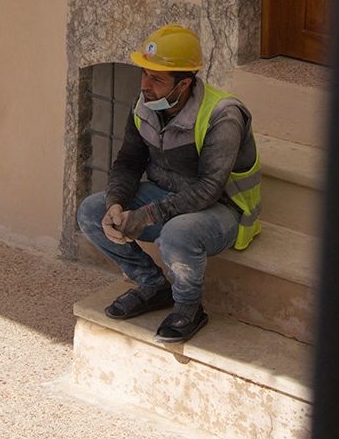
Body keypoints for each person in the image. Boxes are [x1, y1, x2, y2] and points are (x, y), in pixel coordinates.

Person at [76, 23, 262, 346]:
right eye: (145, 73)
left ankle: (189, 307)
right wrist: (116, 204)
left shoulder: (223, 116)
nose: (145, 85)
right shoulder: (144, 103)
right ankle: (153, 286)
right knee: (91, 212)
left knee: (176, 234)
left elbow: (209, 189)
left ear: (185, 84)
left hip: (223, 210)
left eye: (157, 79)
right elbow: (128, 162)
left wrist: (147, 215)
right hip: (168, 197)